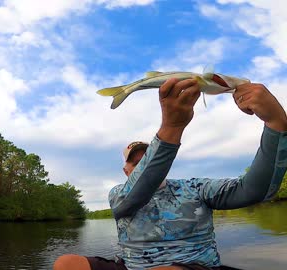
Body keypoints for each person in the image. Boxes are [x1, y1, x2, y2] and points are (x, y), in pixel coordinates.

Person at [53, 78, 287, 270]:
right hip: (131, 265)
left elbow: (255, 190)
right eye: (137, 163)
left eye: (150, 158)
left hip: (193, 266)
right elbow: (135, 193)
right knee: (66, 263)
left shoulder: (196, 188)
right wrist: (172, 127)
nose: (146, 165)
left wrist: (276, 123)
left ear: (164, 162)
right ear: (126, 171)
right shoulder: (118, 194)